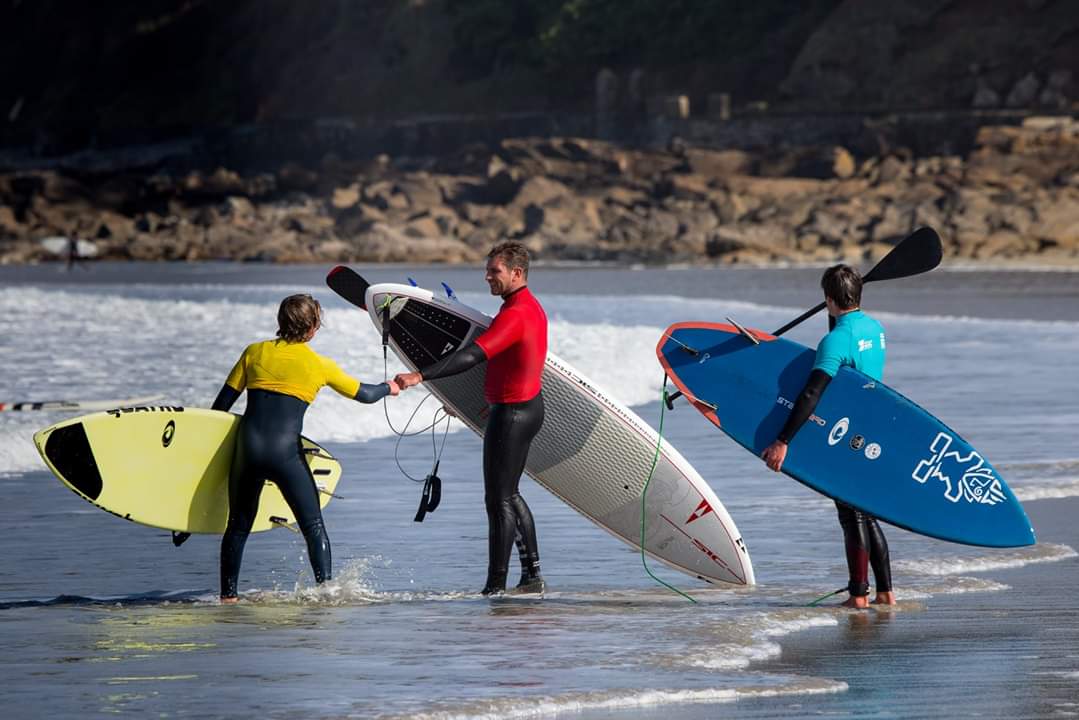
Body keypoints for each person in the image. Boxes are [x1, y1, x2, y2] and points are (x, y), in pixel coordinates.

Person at [211, 293, 399, 603]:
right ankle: (325, 592)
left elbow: (220, 408)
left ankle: (227, 597)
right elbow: (363, 394)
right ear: (313, 327)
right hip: (285, 453)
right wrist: (390, 387)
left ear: (280, 322)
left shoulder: (254, 353)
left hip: (248, 450)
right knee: (312, 525)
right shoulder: (318, 365)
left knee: (238, 526)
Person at [394, 241, 547, 596]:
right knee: (509, 495)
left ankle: (495, 586)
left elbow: (472, 357)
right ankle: (531, 576)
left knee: (498, 501)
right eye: (488, 270)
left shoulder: (515, 313)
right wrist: (475, 403)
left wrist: (420, 376)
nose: (487, 277)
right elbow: (512, 365)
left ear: (516, 273)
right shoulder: (527, 307)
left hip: (512, 415)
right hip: (523, 408)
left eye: (494, 271)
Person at [760, 265, 896, 609]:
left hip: (845, 432)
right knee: (865, 512)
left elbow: (811, 393)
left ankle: (858, 596)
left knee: (850, 515)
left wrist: (783, 440)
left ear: (828, 299)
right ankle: (885, 592)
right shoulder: (874, 329)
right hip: (872, 425)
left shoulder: (835, 340)